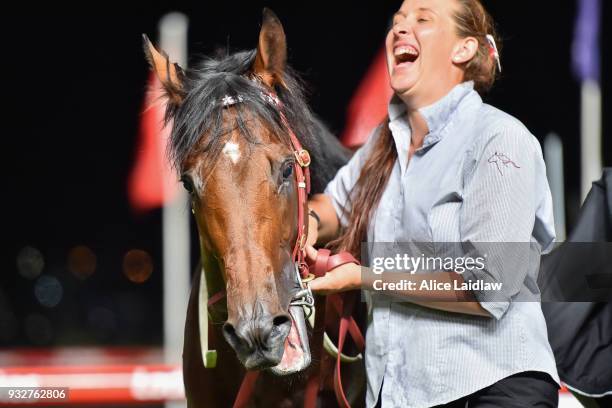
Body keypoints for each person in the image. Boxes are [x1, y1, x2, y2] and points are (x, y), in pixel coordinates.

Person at [305, 0, 560, 406]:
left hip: (493, 389)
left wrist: (365, 277)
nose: (400, 29)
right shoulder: (382, 144)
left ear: (464, 50)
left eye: (423, 19)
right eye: (398, 21)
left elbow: (487, 287)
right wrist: (308, 223)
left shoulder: (499, 140)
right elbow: (335, 207)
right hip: (399, 395)